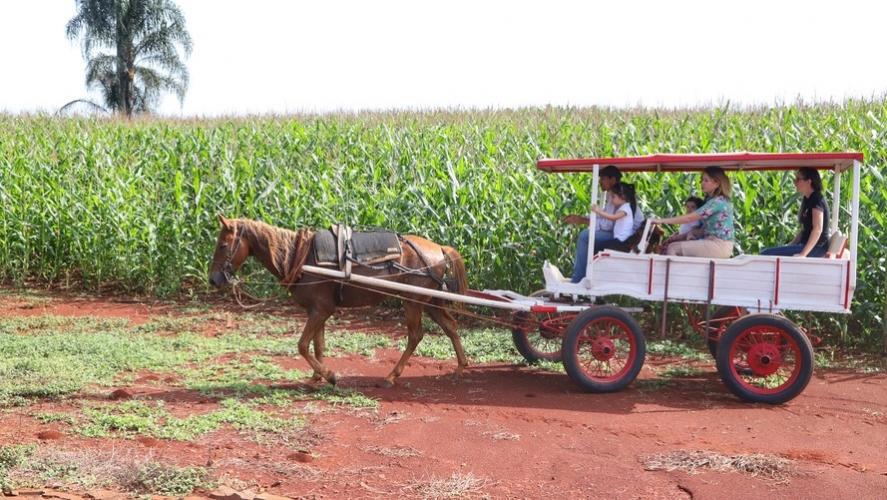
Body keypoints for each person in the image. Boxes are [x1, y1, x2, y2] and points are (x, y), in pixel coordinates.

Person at [564, 166, 645, 283]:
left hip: (626, 238)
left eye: (602, 179)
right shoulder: (616, 194)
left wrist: (583, 221)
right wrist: (582, 218)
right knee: (590, 239)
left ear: (612, 180)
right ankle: (589, 278)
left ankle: (577, 280)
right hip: (620, 233)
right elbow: (604, 217)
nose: (600, 182)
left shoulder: (618, 196)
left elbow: (608, 224)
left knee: (585, 236)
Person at [652, 166, 734, 259]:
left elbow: (688, 218)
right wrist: (679, 237)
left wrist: (661, 221)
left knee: (673, 248)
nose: (702, 183)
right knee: (673, 244)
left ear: (716, 183)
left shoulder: (717, 202)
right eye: (702, 180)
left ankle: (676, 273)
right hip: (713, 243)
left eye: (706, 180)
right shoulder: (712, 201)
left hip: (718, 245)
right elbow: (704, 229)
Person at [761, 167, 829, 258]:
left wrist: (803, 254)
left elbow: (817, 229)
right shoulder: (807, 199)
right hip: (805, 246)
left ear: (809, 181)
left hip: (816, 249)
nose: (794, 182)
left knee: (765, 254)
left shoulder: (817, 199)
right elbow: (804, 231)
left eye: (798, 179)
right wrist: (790, 245)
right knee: (765, 252)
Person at [592, 182, 636, 253]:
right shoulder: (624, 207)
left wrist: (599, 211)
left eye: (613, 197)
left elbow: (613, 217)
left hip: (622, 241)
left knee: (598, 248)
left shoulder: (626, 208)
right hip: (619, 240)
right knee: (598, 248)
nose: (611, 199)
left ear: (623, 197)